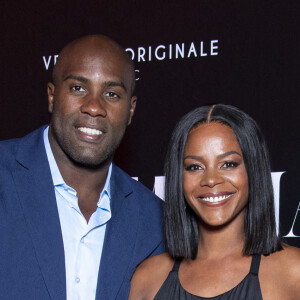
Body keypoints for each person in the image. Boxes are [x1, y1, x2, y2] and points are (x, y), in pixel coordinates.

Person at [0, 35, 164, 300]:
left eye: (111, 94)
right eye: (78, 88)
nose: (94, 107)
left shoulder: (154, 221)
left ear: (130, 110)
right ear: (52, 96)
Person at [129, 104, 300, 300]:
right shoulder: (148, 278)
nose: (211, 179)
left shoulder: (293, 273)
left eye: (228, 164)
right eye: (195, 167)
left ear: (253, 170)